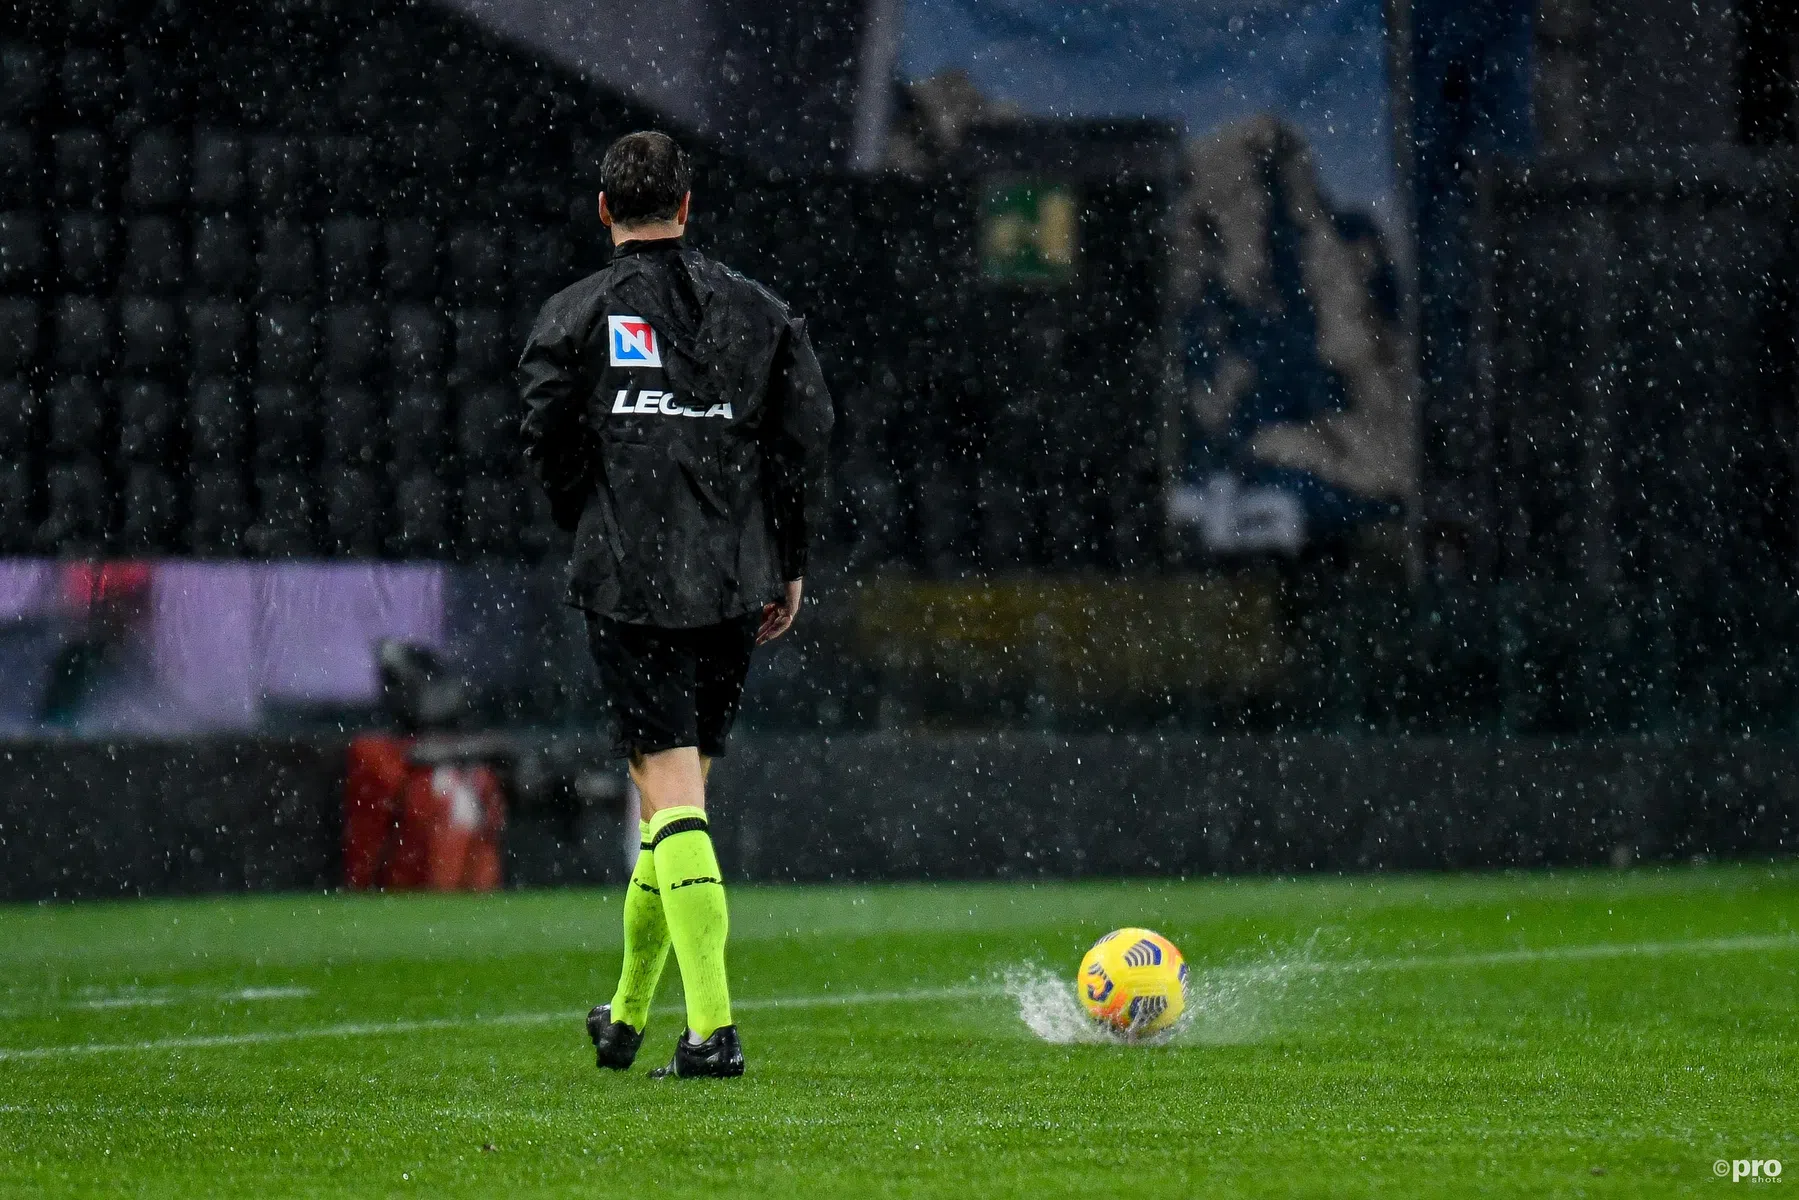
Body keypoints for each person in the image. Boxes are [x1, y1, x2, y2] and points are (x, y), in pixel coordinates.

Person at [518, 131, 834, 1078]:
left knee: (669, 791)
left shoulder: (575, 316)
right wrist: (785, 557)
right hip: (733, 578)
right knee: (675, 797)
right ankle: (622, 1018)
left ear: (605, 209)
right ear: (686, 207)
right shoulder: (760, 311)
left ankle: (712, 1033)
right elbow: (805, 435)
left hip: (632, 579)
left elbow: (545, 438)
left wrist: (596, 509)